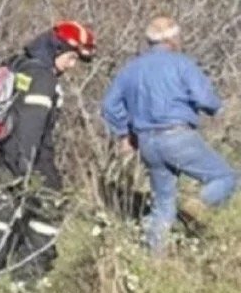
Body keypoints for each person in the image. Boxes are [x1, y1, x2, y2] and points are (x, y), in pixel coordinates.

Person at [0, 21, 96, 290]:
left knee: (2, 214)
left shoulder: (18, 64)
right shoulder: (42, 78)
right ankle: (25, 282)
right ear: (57, 48)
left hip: (1, 156)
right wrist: (29, 170)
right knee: (47, 214)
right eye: (71, 57)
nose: (72, 65)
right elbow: (31, 127)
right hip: (30, 160)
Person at [101, 15, 237, 256]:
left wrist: (125, 134)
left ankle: (156, 260)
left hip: (147, 143)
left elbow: (109, 105)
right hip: (177, 135)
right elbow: (206, 100)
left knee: (163, 204)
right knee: (225, 178)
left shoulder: (130, 69)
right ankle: (197, 206)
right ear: (173, 38)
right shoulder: (181, 64)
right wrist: (216, 107)